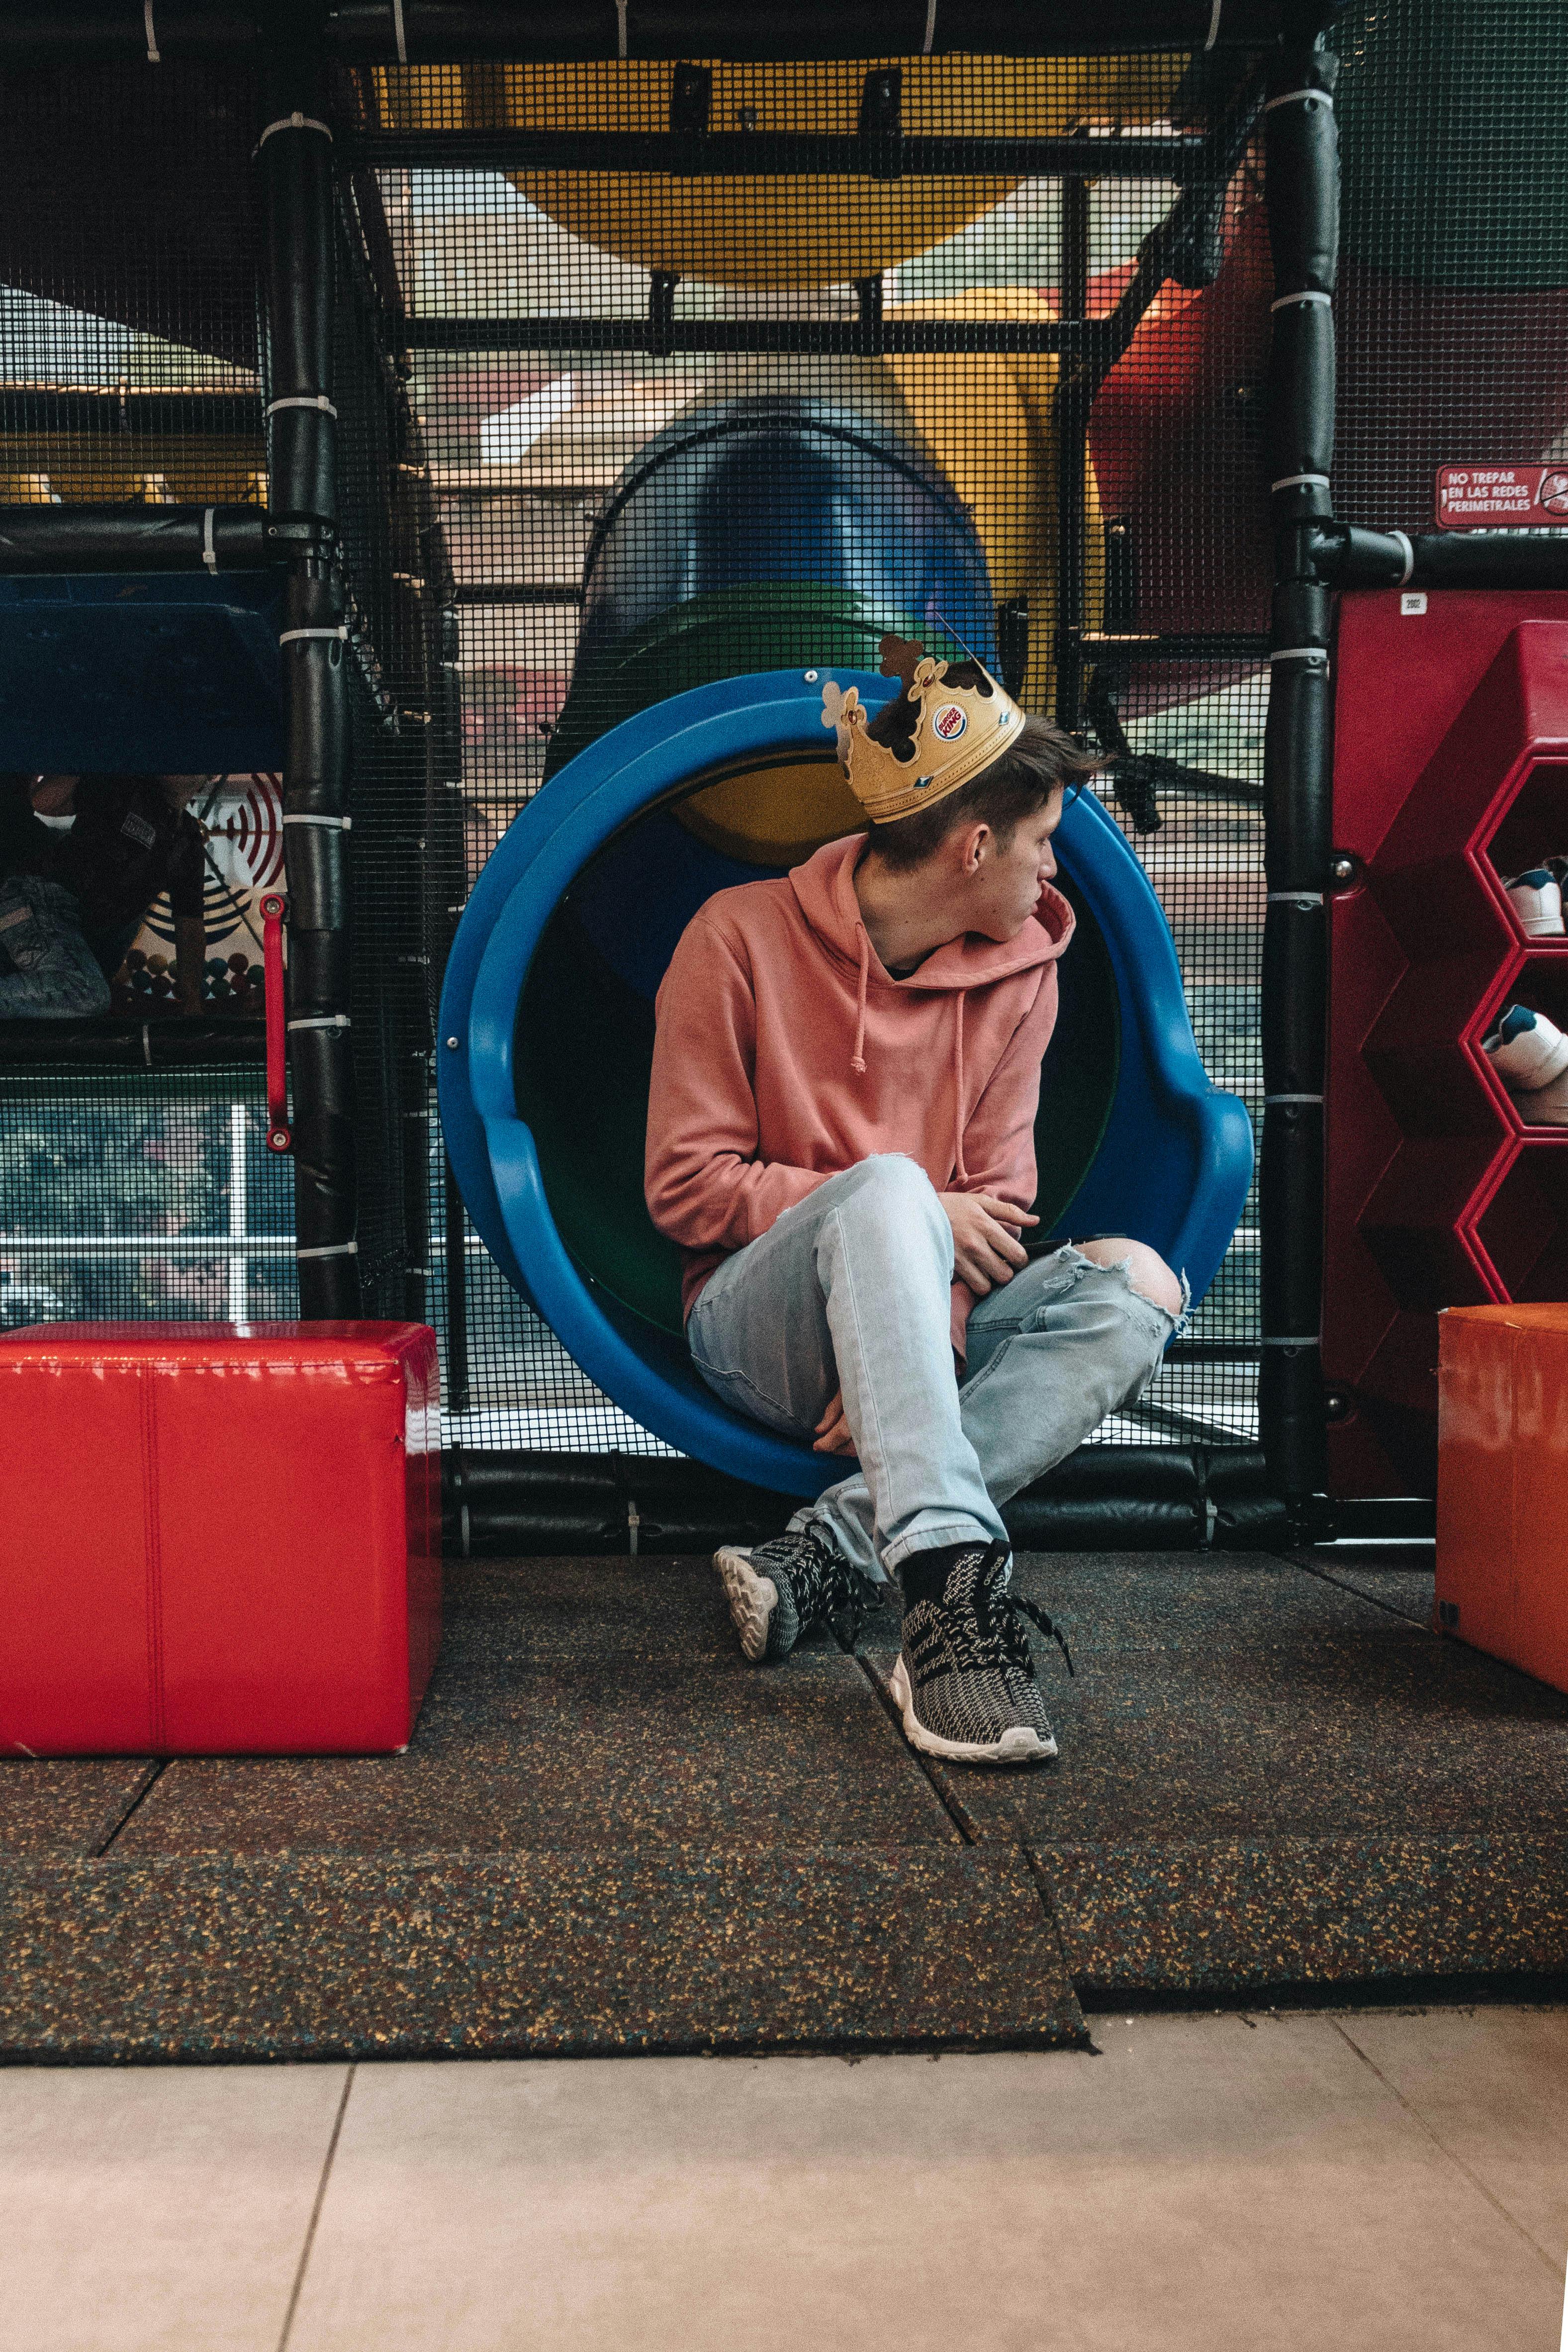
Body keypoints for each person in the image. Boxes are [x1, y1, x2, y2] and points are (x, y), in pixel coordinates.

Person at [644, 638, 1187, 1766]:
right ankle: (946, 1602)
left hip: (920, 1329)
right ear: (973, 843)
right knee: (894, 1187)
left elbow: (1000, 1206)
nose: (1052, 874)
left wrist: (910, 1341)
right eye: (1040, 845)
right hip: (759, 1326)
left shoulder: (1025, 972)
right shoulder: (732, 938)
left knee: (1138, 1285)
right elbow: (685, 1188)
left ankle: (829, 1553)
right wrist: (899, 1229)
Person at [0, 773, 208, 1019]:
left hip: (76, 931)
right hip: (40, 900)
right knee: (87, 993)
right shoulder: (125, 786)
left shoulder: (187, 843)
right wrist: (93, 753)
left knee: (77, 1004)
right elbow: (44, 802)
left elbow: (190, 927)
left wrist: (193, 1004)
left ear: (209, 776)